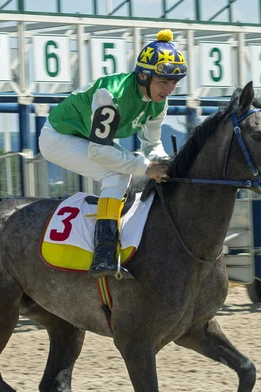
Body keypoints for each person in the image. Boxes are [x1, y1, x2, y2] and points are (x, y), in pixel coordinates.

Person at [39, 29, 187, 279]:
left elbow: (152, 144)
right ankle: (104, 253)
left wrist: (164, 164)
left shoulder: (159, 101)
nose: (169, 89)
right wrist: (145, 168)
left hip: (88, 137)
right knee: (117, 173)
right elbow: (99, 152)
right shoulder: (111, 96)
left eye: (174, 82)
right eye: (163, 82)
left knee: (128, 170)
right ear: (143, 76)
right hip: (59, 137)